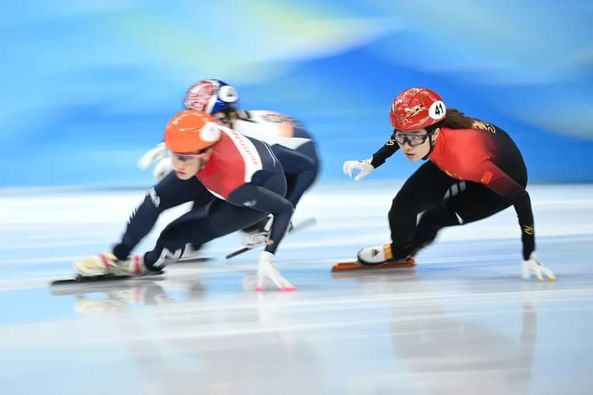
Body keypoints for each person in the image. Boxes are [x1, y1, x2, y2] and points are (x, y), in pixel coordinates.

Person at [343, 87, 555, 281]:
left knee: (433, 218)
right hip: (458, 157)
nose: (406, 146)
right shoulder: (426, 131)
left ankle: (404, 250)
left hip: (495, 181)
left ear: (435, 132)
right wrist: (373, 161)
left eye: (414, 138)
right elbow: (404, 133)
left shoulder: (467, 159)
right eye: (402, 137)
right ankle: (398, 250)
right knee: (402, 206)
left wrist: (529, 252)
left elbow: (521, 197)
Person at [75, 109, 296, 291]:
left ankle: (145, 264)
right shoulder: (201, 143)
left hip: (257, 190)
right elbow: (198, 126)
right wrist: (170, 146)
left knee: (175, 234)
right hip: (217, 169)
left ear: (206, 153)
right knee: (155, 199)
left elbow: (284, 208)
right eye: (175, 155)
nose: (177, 164)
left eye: (183, 157)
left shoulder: (232, 183)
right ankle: (117, 257)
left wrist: (269, 257)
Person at [139, 79, 320, 246]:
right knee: (212, 178)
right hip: (281, 144)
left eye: (203, 122)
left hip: (299, 159)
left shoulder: (255, 137)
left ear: (224, 116)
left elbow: (308, 167)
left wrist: (288, 209)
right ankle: (250, 225)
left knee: (236, 187)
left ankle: (257, 224)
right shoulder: (225, 126)